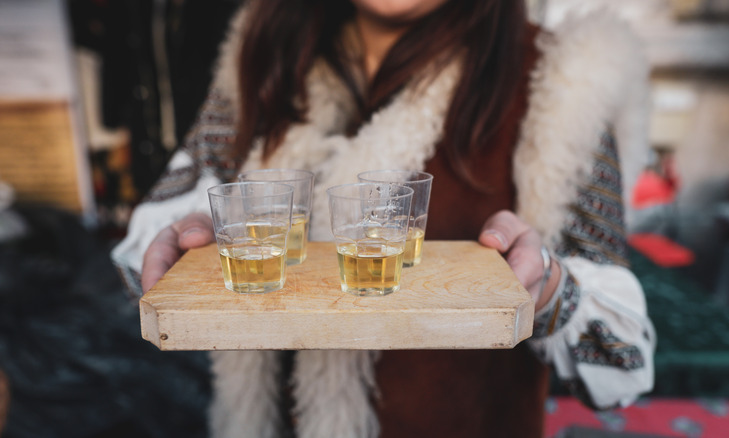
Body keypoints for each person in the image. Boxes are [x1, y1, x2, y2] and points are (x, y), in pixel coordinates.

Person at [112, 0, 656, 436]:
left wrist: (551, 289)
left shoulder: (561, 82)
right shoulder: (263, 57)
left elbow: (625, 359)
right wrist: (182, 251)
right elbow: (173, 211)